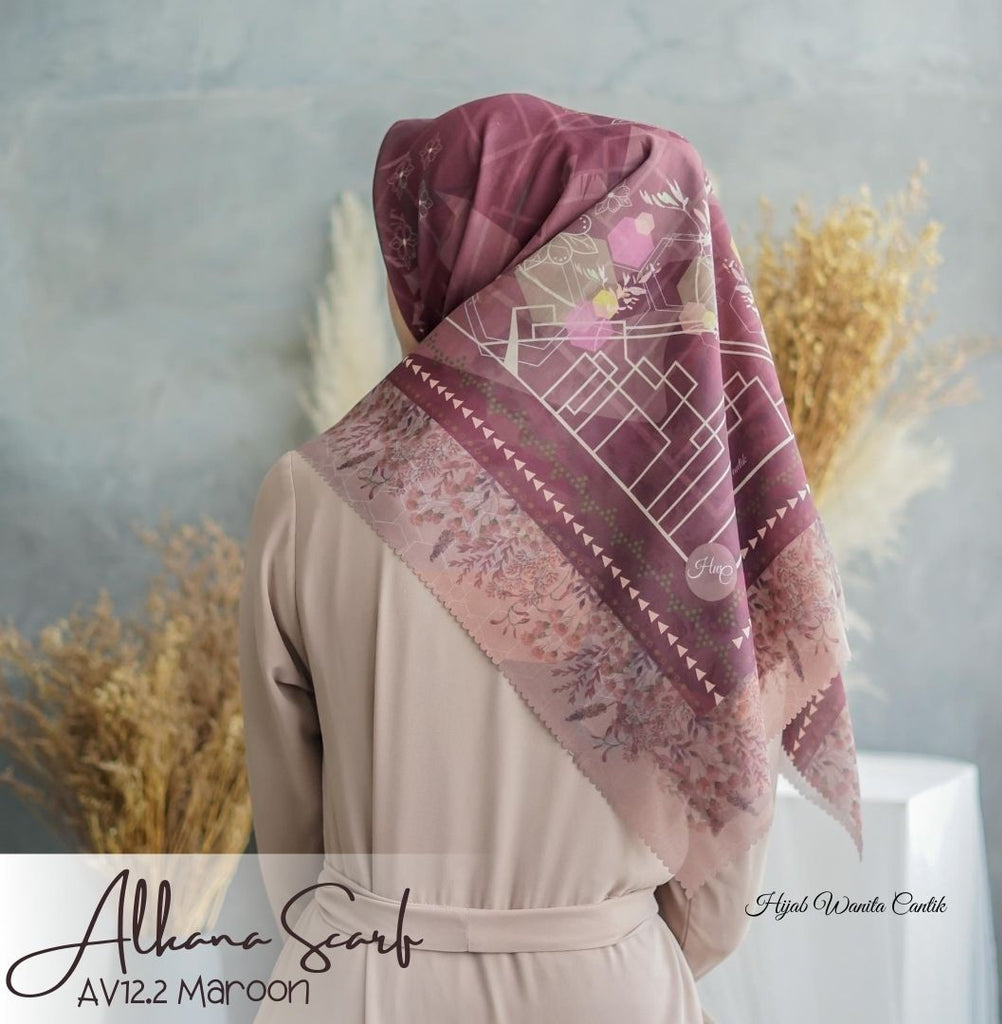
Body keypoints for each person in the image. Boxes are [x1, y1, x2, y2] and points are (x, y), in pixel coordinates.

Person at [238, 92, 861, 1023]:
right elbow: (723, 868)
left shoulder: (306, 494)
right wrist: (605, 947)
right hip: (604, 987)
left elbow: (291, 845)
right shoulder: (684, 523)